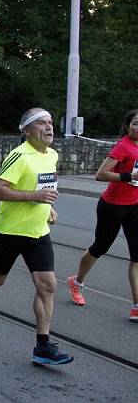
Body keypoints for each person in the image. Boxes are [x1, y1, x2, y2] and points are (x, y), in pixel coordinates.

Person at [0, 108, 73, 365]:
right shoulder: (19, 156)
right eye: (42, 123)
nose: (49, 127)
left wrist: (48, 207)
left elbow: (43, 188)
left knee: (48, 285)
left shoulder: (51, 155)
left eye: (50, 122)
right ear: (27, 130)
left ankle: (42, 346)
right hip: (10, 231)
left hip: (38, 231)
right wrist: (35, 197)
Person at [67, 109, 138, 321]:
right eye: (135, 123)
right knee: (100, 247)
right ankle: (76, 282)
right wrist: (128, 176)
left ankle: (136, 307)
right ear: (127, 126)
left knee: (137, 257)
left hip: (135, 206)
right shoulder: (123, 147)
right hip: (112, 206)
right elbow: (101, 174)